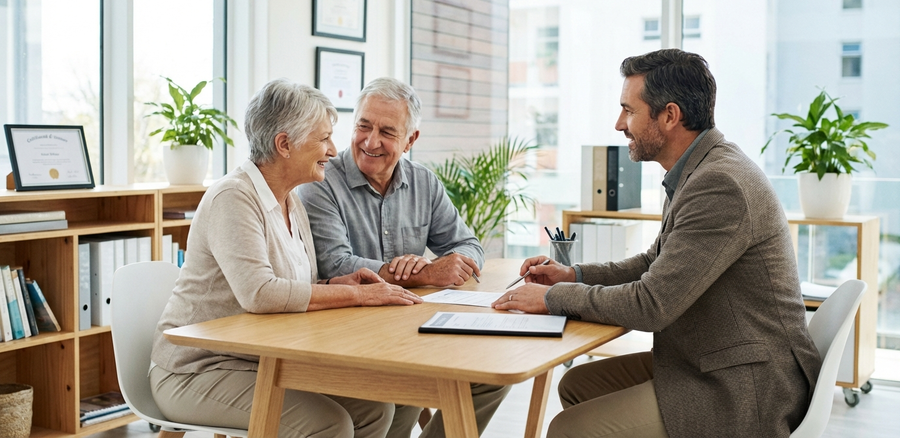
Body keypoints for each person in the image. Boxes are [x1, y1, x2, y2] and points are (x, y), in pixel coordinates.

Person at [492, 49, 822, 438]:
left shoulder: (720, 184)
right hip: (708, 359)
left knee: (570, 430)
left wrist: (555, 297)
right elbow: (654, 262)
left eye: (628, 111)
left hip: (745, 384)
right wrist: (573, 273)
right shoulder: (695, 169)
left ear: (669, 115)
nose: (619, 124)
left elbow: (652, 305)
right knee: (576, 385)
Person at [150, 79, 423, 438]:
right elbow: (260, 294)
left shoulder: (291, 200)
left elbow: (296, 287)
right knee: (330, 424)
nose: (333, 149)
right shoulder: (233, 198)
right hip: (197, 368)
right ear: (284, 145)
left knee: (375, 407)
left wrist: (336, 284)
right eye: (323, 138)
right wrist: (358, 295)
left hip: (260, 362)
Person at [297, 77, 510, 437]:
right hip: (345, 337)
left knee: (491, 377)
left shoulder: (424, 183)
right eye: (363, 126)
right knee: (400, 394)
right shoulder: (320, 180)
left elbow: (469, 246)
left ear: (411, 140)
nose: (371, 141)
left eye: (387, 132)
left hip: (407, 331)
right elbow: (334, 264)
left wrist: (453, 261)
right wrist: (419, 274)